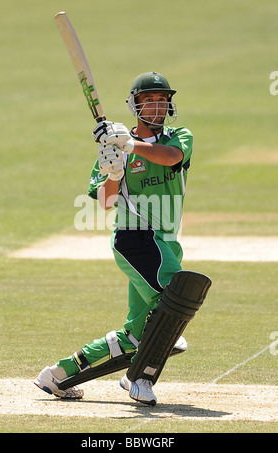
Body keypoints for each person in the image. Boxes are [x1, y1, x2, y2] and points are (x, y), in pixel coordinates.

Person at [34, 72, 210, 406]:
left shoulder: (178, 137)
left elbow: (171, 158)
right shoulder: (114, 148)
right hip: (135, 239)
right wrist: (114, 173)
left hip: (166, 243)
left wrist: (128, 145)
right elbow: (105, 202)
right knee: (174, 304)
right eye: (149, 100)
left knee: (137, 333)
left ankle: (57, 374)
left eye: (162, 100)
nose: (157, 106)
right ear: (135, 104)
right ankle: (138, 378)